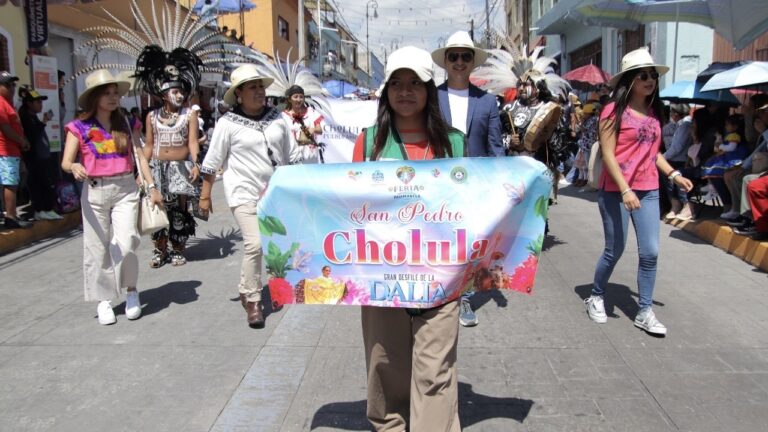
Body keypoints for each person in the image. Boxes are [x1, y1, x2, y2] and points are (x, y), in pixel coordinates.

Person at [352, 46, 465, 432]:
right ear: (385, 92)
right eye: (396, 84)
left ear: (429, 90)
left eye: (415, 83)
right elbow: (349, 206)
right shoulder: (368, 143)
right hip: (381, 277)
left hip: (441, 278)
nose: (405, 91)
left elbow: (471, 206)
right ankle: (389, 425)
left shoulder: (455, 142)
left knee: (435, 371)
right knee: (386, 364)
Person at [585, 48, 693, 336]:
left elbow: (652, 152)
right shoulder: (612, 110)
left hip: (648, 189)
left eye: (653, 75)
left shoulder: (654, 113)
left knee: (651, 252)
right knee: (614, 250)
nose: (650, 80)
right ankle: (596, 295)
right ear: (630, 80)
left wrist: (673, 173)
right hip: (616, 190)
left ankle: (644, 310)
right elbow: (608, 155)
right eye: (643, 75)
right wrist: (625, 189)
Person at [199, 64, 301, 329]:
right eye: (252, 87)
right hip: (242, 192)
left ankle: (247, 288)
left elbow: (290, 156)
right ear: (239, 94)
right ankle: (255, 301)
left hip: (275, 193)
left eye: (261, 86)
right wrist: (205, 195)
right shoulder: (227, 123)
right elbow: (212, 161)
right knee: (254, 244)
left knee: (272, 245)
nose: (259, 92)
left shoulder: (278, 118)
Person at [61, 69, 162, 325]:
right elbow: (66, 161)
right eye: (106, 93)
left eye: (115, 93)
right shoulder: (79, 126)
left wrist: (151, 186)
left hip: (125, 188)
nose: (113, 97)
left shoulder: (127, 123)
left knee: (127, 242)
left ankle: (131, 290)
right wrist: (74, 167)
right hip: (94, 190)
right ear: (94, 97)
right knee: (97, 247)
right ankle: (104, 298)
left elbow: (140, 155)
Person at [431, 30, 501, 328]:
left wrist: (501, 185)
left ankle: (465, 298)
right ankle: (441, 292)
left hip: (476, 185)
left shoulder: (487, 102)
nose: (460, 61)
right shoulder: (431, 97)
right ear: (446, 61)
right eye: (454, 56)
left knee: (470, 243)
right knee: (442, 241)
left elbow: (496, 147)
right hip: (440, 183)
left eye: (466, 56)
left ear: (473, 62)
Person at [140, 74, 200, 268]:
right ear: (165, 95)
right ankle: (160, 250)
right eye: (175, 91)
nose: (180, 95)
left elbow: (192, 141)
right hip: (157, 168)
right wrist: (141, 172)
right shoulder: (152, 116)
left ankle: (177, 249)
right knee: (158, 208)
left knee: (178, 211)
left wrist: (196, 163)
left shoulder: (189, 114)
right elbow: (149, 145)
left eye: (181, 91)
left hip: (179, 167)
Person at [17, 87, 63, 221]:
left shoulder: (33, 117)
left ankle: (46, 209)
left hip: (42, 157)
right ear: (29, 103)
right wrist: (43, 122)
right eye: (37, 102)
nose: (40, 104)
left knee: (45, 183)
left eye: (41, 102)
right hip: (35, 158)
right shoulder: (26, 118)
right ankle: (41, 209)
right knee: (40, 184)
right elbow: (31, 135)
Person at [0, 71, 32, 229]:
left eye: (13, 85)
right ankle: (11, 217)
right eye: (8, 85)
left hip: (12, 150)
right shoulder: (0, 103)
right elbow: (6, 128)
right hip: (5, 151)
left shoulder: (7, 103)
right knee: (10, 184)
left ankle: (10, 214)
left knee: (13, 182)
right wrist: (21, 140)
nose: (12, 88)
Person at [662, 103, 693, 219]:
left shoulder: (685, 125)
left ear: (675, 114)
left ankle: (685, 205)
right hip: (676, 159)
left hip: (681, 160)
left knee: (674, 177)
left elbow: (677, 147)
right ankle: (675, 205)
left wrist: (663, 158)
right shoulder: (679, 125)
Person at [281, 85, 326, 163]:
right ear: (289, 99)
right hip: (292, 157)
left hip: (310, 157)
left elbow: (320, 130)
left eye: (301, 97)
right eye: (295, 97)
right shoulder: (283, 116)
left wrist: (313, 129)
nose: (298, 99)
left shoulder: (311, 112)